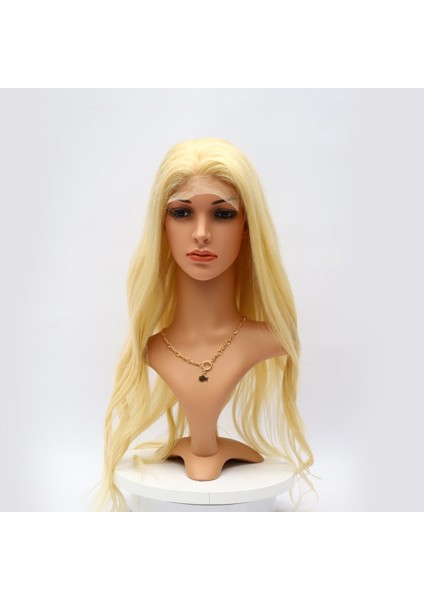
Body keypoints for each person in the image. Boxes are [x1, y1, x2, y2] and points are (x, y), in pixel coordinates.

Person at [93, 138, 314, 511]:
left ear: (247, 227)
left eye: (222, 214)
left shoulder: (270, 339)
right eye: (182, 212)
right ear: (162, 225)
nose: (200, 233)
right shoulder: (151, 350)